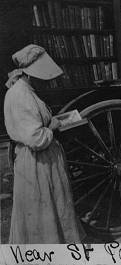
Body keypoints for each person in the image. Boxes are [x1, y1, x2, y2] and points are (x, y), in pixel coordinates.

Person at [4, 44, 84, 243]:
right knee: (42, 208)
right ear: (30, 74)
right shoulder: (21, 95)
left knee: (50, 207)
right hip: (36, 162)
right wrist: (53, 127)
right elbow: (35, 138)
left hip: (41, 160)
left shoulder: (24, 90)